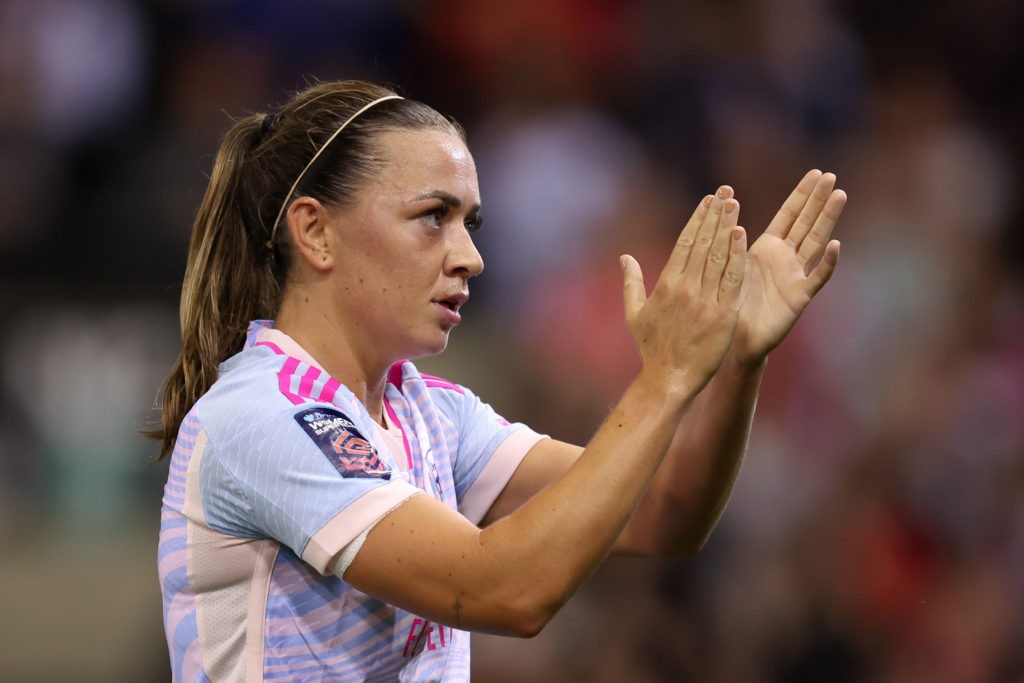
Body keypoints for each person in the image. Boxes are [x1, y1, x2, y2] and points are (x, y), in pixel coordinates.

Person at [153, 79, 846, 682]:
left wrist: (738, 360)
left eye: (470, 222)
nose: (472, 257)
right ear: (316, 232)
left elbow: (664, 511)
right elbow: (503, 589)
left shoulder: (430, 415)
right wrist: (663, 379)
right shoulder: (265, 413)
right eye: (433, 217)